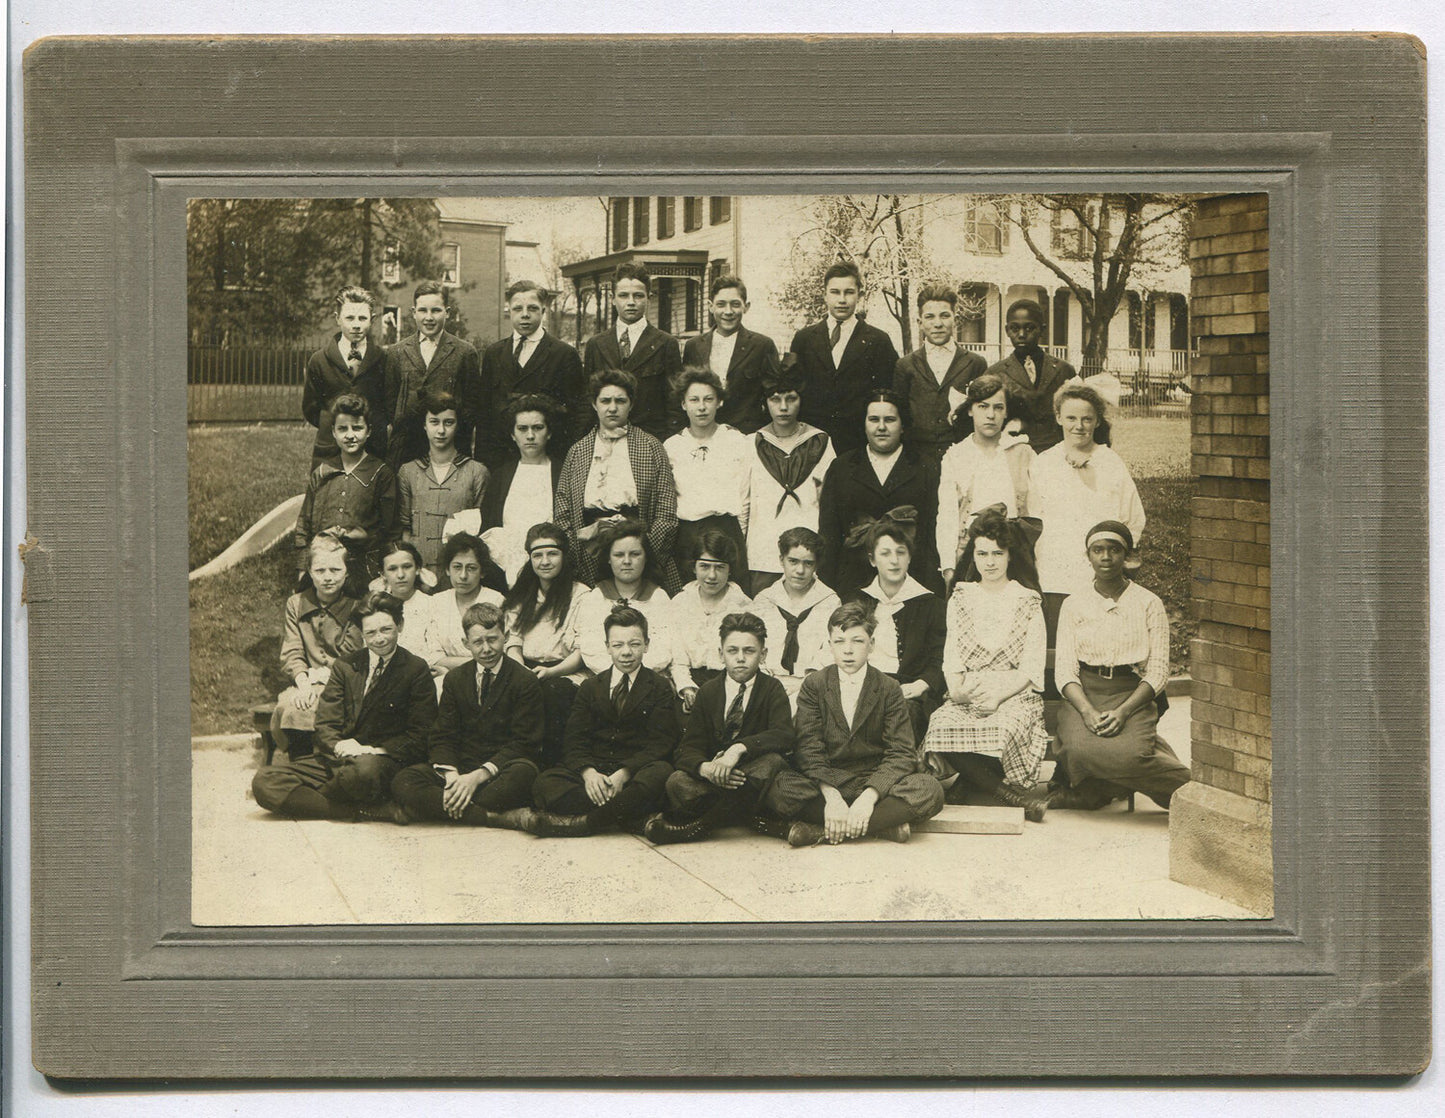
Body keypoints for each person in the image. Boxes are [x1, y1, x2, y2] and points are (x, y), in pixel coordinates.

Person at [758, 602, 944, 846]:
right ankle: (882, 828)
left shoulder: (888, 688)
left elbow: (900, 753)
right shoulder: (814, 684)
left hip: (874, 781)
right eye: (839, 641)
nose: (848, 650)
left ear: (872, 645)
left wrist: (869, 798)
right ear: (829, 644)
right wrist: (832, 796)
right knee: (779, 787)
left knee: (929, 789)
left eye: (857, 641)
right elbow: (808, 747)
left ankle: (820, 832)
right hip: (827, 781)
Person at [252, 591, 436, 823]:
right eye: (370, 632)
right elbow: (326, 723)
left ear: (400, 625)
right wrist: (339, 745)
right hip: (339, 759)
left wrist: (372, 751)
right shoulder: (346, 666)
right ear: (361, 633)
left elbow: (420, 734)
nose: (379, 639)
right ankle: (357, 811)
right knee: (265, 781)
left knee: (363, 772)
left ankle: (317, 799)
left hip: (381, 761)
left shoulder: (415, 670)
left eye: (386, 630)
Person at [921, 510, 1052, 822]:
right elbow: (951, 655)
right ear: (973, 555)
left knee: (1004, 727)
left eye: (998, 553)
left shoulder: (1027, 600)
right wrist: (958, 693)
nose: (990, 562)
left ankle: (975, 785)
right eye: (982, 553)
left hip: (1014, 692)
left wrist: (997, 697)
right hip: (969, 689)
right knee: (939, 726)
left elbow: (1031, 666)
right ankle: (1008, 795)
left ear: (1009, 556)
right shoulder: (961, 597)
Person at [1051, 521, 1190, 811]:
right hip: (1086, 692)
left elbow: (1158, 671)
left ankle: (1104, 789)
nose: (1105, 557)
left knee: (1129, 756)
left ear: (1127, 556)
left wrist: (1124, 712)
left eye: (1114, 550)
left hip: (1131, 693)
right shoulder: (1074, 604)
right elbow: (1064, 670)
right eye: (1097, 550)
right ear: (1087, 555)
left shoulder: (1148, 603)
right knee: (1076, 749)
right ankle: (1142, 768)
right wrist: (1087, 711)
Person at [524, 606, 681, 837]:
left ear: (647, 645)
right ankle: (628, 816)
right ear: (607, 647)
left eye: (634, 644)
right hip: (596, 772)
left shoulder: (659, 687)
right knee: (545, 783)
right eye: (618, 645)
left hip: (633, 774)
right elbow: (574, 739)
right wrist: (589, 773)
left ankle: (586, 823)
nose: (626, 652)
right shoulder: (590, 687)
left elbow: (661, 743)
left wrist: (624, 773)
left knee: (661, 775)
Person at [643, 612, 795, 845]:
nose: (741, 658)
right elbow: (688, 748)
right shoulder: (709, 691)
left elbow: (783, 735)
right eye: (733, 651)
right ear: (720, 654)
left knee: (773, 764)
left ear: (763, 654)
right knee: (677, 782)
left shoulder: (772, 689)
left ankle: (700, 827)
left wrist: (738, 749)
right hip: (718, 781)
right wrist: (706, 769)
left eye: (749, 651)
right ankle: (745, 817)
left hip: (751, 774)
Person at [391, 602, 545, 827]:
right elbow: (443, 734)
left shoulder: (525, 680)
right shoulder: (455, 679)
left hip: (499, 770)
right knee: (403, 781)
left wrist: (477, 777)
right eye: (478, 642)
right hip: (462, 767)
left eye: (492, 639)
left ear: (506, 636)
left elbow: (524, 742)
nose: (486, 649)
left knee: (524, 774)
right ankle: (492, 817)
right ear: (466, 643)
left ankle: (444, 806)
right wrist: (453, 778)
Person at [1028, 383, 1146, 626]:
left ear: (1097, 422)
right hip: (1054, 572)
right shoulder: (1044, 463)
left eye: (1087, 419)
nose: (1079, 426)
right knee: (1058, 642)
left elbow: (1133, 519)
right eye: (1071, 418)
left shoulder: (1110, 463)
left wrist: (1113, 562)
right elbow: (1033, 519)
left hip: (1100, 576)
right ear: (1058, 417)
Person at [554, 368, 681, 591]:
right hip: (588, 551)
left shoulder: (651, 447)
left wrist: (646, 552)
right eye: (605, 401)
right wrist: (576, 554)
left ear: (631, 404)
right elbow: (563, 510)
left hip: (637, 549)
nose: (612, 408)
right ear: (594, 404)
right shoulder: (577, 451)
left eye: (620, 401)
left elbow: (666, 511)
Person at [817, 389, 943, 598]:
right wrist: (828, 590)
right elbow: (829, 532)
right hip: (855, 578)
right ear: (864, 424)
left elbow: (931, 531)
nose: (881, 427)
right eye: (874, 419)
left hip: (911, 577)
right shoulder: (843, 467)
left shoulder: (925, 467)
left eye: (890, 420)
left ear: (903, 425)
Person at [851, 516, 947, 746]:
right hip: (862, 685)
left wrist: (920, 685)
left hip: (909, 691)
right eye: (885, 553)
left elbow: (940, 659)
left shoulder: (931, 605)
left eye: (901, 552)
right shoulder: (857, 601)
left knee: (903, 712)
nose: (894, 561)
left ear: (909, 557)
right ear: (872, 560)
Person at [788, 261, 900, 455]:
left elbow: (888, 392)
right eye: (835, 292)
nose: (842, 299)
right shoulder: (804, 339)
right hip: (812, 444)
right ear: (824, 295)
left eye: (849, 292)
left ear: (859, 295)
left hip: (858, 444)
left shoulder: (878, 340)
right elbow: (793, 390)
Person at [503, 523, 591, 766]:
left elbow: (582, 650)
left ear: (563, 555)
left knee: (553, 695)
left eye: (552, 553)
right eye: (537, 555)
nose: (545, 561)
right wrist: (520, 668)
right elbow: (513, 639)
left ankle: (548, 767)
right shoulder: (522, 593)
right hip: (525, 668)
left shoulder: (581, 594)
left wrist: (551, 671)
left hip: (565, 671)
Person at [936, 374, 1036, 588]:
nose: (991, 415)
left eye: (998, 407)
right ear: (970, 409)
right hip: (971, 557)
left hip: (1015, 555)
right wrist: (948, 567)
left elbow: (1037, 511)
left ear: (1006, 411)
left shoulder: (1021, 452)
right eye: (983, 407)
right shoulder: (956, 456)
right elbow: (946, 515)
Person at [740, 365, 835, 590]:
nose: (783, 407)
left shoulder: (820, 441)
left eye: (791, 399)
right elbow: (743, 503)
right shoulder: (752, 442)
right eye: (775, 399)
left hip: (808, 554)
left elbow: (828, 501)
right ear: (765, 403)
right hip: (763, 552)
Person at [474, 280, 586, 467]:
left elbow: (576, 415)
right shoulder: (494, 353)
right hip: (501, 460)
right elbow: (484, 415)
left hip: (548, 458)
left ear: (543, 310)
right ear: (509, 310)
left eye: (532, 308)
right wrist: (483, 463)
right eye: (518, 309)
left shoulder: (563, 354)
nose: (525, 315)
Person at [270, 535, 363, 760]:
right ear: (310, 572)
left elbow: (353, 656)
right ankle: (301, 767)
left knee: (326, 710)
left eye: (335, 570)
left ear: (346, 572)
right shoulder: (296, 603)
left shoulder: (356, 606)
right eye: (320, 571)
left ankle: (328, 767)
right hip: (306, 682)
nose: (328, 578)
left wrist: (322, 681)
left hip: (343, 684)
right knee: (293, 707)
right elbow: (292, 651)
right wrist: (303, 684)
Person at [293, 393, 398, 582]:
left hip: (363, 566)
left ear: (368, 431)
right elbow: (304, 523)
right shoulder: (323, 472)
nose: (350, 435)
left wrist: (365, 536)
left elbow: (388, 529)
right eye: (343, 429)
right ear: (333, 431)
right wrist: (302, 569)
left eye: (357, 428)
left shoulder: (381, 473)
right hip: (323, 564)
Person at [663, 367, 751, 590]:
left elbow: (745, 493)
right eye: (694, 400)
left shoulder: (736, 440)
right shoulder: (672, 446)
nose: (701, 407)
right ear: (683, 404)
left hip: (726, 530)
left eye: (708, 399)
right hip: (686, 534)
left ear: (719, 402)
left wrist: (740, 537)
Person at [385, 279, 481, 471]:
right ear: (413, 313)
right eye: (423, 310)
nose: (429, 317)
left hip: (449, 451)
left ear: (447, 312)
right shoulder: (396, 352)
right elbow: (389, 404)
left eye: (436, 311)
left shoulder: (464, 352)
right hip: (405, 452)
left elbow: (472, 407)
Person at [582, 263, 683, 440]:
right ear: (613, 299)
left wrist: (665, 445)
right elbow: (587, 402)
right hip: (605, 440)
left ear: (649, 299)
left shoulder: (666, 343)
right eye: (623, 295)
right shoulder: (596, 344)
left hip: (650, 440)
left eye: (638, 296)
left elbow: (674, 404)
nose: (631, 302)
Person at [396, 389, 489, 580]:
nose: (441, 431)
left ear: (457, 425)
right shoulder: (408, 472)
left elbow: (482, 532)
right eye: (434, 422)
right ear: (424, 425)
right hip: (420, 570)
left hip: (459, 573)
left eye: (448, 423)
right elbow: (405, 530)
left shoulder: (476, 472)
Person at [892, 284, 987, 466]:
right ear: (920, 323)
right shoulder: (905, 365)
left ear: (956, 319)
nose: (937, 323)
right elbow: (900, 417)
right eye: (929, 317)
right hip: (917, 461)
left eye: (944, 316)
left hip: (962, 459)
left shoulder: (975, 363)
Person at [478, 394, 566, 585]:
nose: (530, 436)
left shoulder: (563, 473)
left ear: (549, 433)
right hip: (505, 571)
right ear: (512, 434)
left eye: (538, 428)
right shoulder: (501, 476)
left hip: (551, 569)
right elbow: (489, 528)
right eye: (522, 429)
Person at [302, 285, 392, 467]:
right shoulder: (319, 360)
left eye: (362, 318)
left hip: (373, 449)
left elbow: (390, 405)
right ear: (338, 319)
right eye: (349, 318)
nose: (356, 325)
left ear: (372, 320)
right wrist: (335, 427)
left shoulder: (384, 359)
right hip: (330, 448)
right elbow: (311, 408)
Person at [570, 518, 674, 676]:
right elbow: (591, 649)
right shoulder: (596, 598)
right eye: (619, 555)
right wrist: (616, 675)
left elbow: (664, 649)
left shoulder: (658, 597)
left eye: (635, 554)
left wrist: (635, 674)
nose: (627, 561)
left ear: (646, 557)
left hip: (649, 677)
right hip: (605, 677)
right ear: (609, 560)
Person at [975, 298, 1077, 454]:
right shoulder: (995, 373)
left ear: (1042, 330)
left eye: (1030, 328)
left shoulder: (1064, 370)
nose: (1021, 334)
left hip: (1057, 453)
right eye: (1015, 328)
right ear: (1006, 330)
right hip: (1014, 452)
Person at [668, 529, 754, 712]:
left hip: (730, 684)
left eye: (720, 567)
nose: (712, 576)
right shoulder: (680, 603)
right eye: (705, 566)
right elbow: (678, 659)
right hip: (689, 681)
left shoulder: (744, 607)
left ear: (730, 569)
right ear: (694, 567)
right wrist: (687, 688)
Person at [681, 274, 779, 433]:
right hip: (704, 433)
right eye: (721, 304)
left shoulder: (762, 345)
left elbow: (772, 396)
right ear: (710, 306)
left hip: (746, 434)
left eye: (735, 304)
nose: (728, 311)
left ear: (746, 307)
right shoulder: (694, 346)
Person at [750, 527, 839, 693]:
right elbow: (753, 645)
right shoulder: (764, 600)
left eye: (808, 563)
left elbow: (831, 649)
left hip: (812, 685)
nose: (800, 570)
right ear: (781, 560)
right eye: (793, 561)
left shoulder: (829, 601)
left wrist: (806, 683)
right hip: (767, 683)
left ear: (816, 565)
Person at [421, 532, 506, 682]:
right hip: (446, 679)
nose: (463, 576)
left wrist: (452, 666)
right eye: (457, 567)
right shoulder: (436, 602)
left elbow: (502, 653)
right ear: (447, 569)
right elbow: (433, 656)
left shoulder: (496, 600)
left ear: (482, 572)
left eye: (471, 568)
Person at [373, 540, 438, 659]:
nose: (401, 575)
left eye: (407, 567)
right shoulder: (375, 606)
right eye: (392, 569)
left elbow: (435, 653)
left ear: (417, 569)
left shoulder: (432, 605)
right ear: (382, 574)